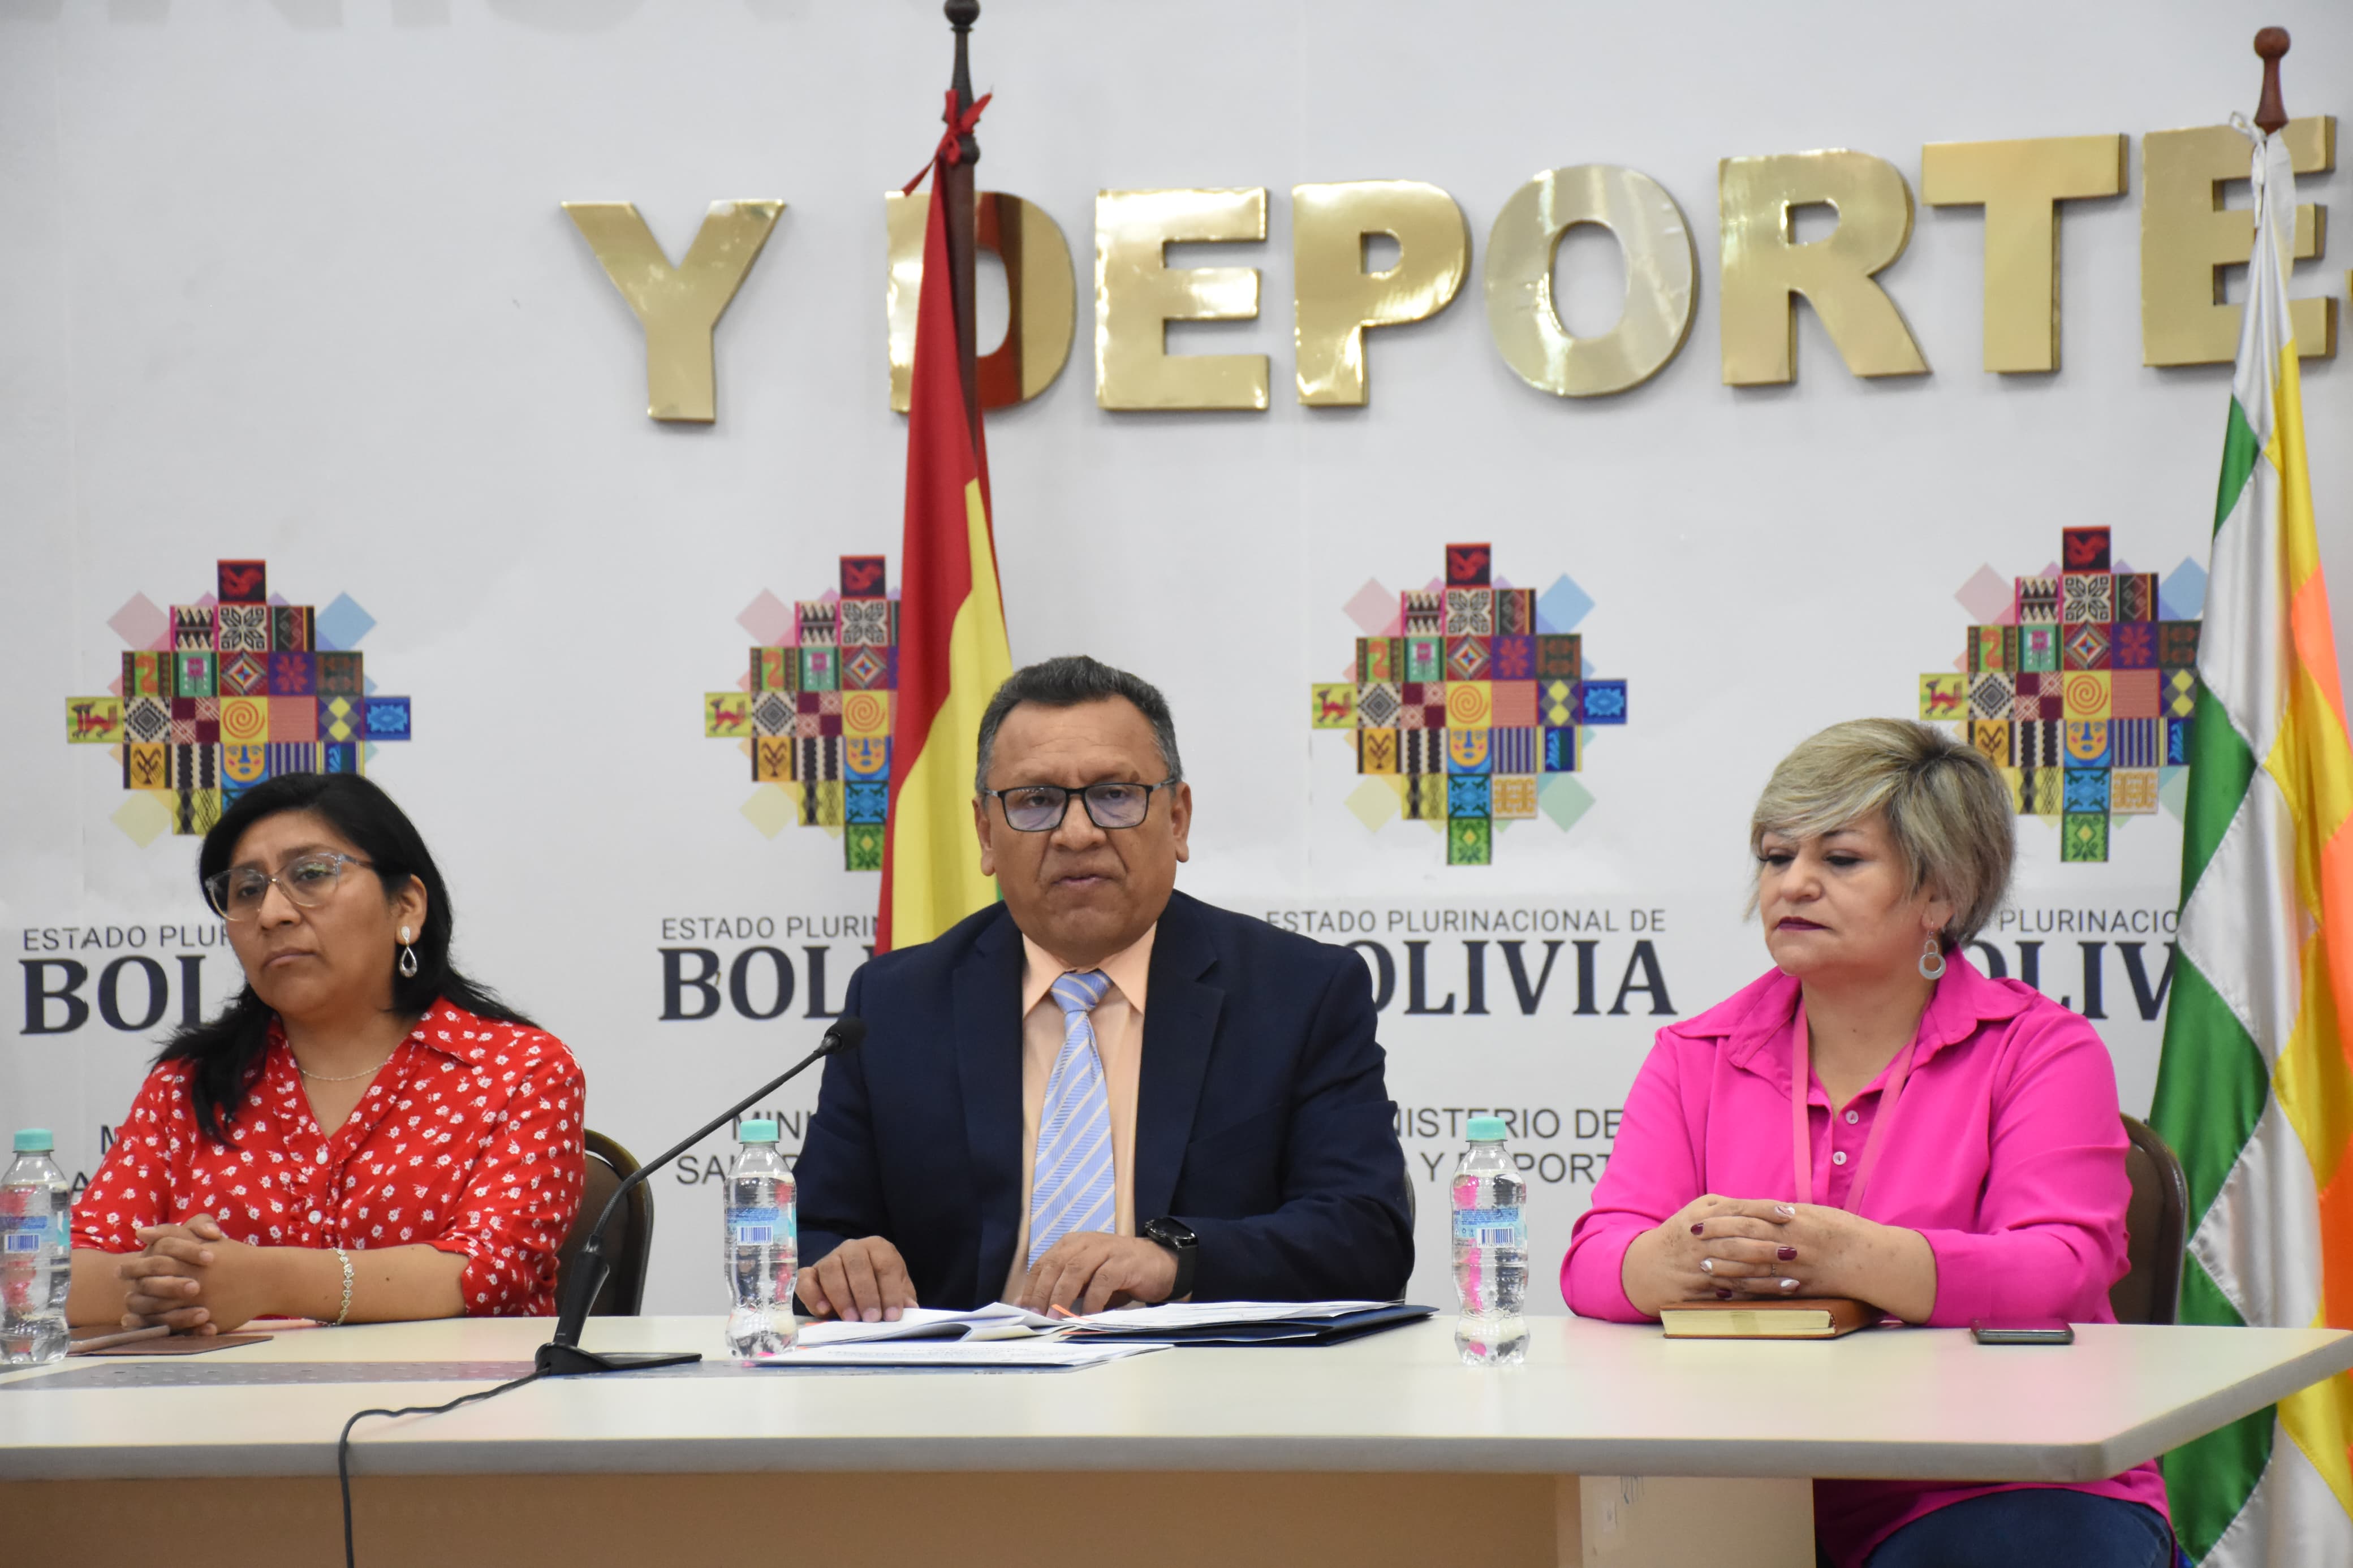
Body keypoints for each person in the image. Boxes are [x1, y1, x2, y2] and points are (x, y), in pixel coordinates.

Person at [1562, 719, 2171, 1568]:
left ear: (1940, 895)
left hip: (1996, 1479)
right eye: (1776, 856)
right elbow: (1594, 1261)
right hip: (1741, 1476)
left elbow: (2059, 1269)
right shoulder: (1695, 1054)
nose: (1794, 884)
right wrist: (1665, 1259)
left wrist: (1850, 1256)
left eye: (1841, 859)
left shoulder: (2038, 1050)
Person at [794, 655, 1411, 1320]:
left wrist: (1176, 1262)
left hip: (1204, 1377)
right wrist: (839, 1263)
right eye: (1036, 801)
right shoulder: (894, 1005)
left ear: (1176, 818)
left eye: (1114, 794)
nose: (1077, 833)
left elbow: (1366, 1234)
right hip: (968, 1378)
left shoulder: (1299, 993)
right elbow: (807, 1233)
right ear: (985, 834)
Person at [68, 772, 585, 1332]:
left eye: (311, 874)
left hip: (454, 1387)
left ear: (406, 906)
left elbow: (491, 1269)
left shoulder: (518, 1070)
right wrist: (175, 1286)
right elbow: (65, 1274)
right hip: (221, 1391)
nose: (272, 913)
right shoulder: (189, 1083)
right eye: (247, 890)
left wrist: (268, 1281)